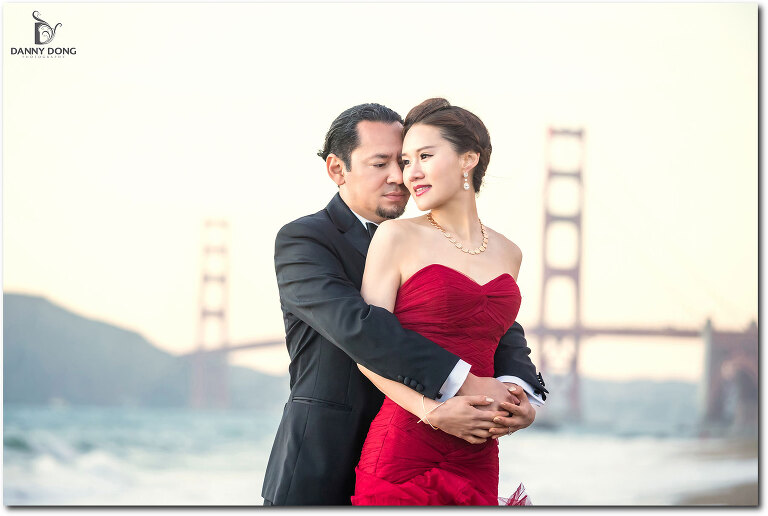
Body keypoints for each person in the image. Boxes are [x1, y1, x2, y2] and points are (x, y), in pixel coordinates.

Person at [261, 103, 547, 506]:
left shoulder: (448, 244)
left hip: (453, 443)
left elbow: (496, 325)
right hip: (328, 458)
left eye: (407, 159)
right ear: (337, 170)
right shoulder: (306, 239)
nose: (400, 176)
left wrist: (519, 394)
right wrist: (458, 390)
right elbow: (358, 327)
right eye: (382, 163)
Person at [351, 98, 531, 505]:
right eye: (405, 160)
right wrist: (431, 411)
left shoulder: (509, 252)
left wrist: (523, 407)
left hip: (479, 451)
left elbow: (498, 344)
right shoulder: (396, 236)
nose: (409, 173)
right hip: (406, 447)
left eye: (425, 156)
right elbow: (368, 350)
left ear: (469, 159)